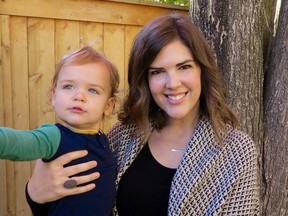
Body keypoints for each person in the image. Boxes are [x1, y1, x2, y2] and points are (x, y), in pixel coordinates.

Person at [25, 13, 260, 215]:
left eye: (184, 67)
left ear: (202, 70)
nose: (173, 83)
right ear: (145, 80)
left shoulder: (237, 151)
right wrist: (35, 193)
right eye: (157, 71)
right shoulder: (121, 137)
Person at [0, 46, 120, 216]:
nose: (79, 95)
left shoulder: (105, 140)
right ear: (53, 96)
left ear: (108, 106)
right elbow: (18, 142)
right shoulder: (54, 136)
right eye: (68, 86)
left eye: (92, 90)